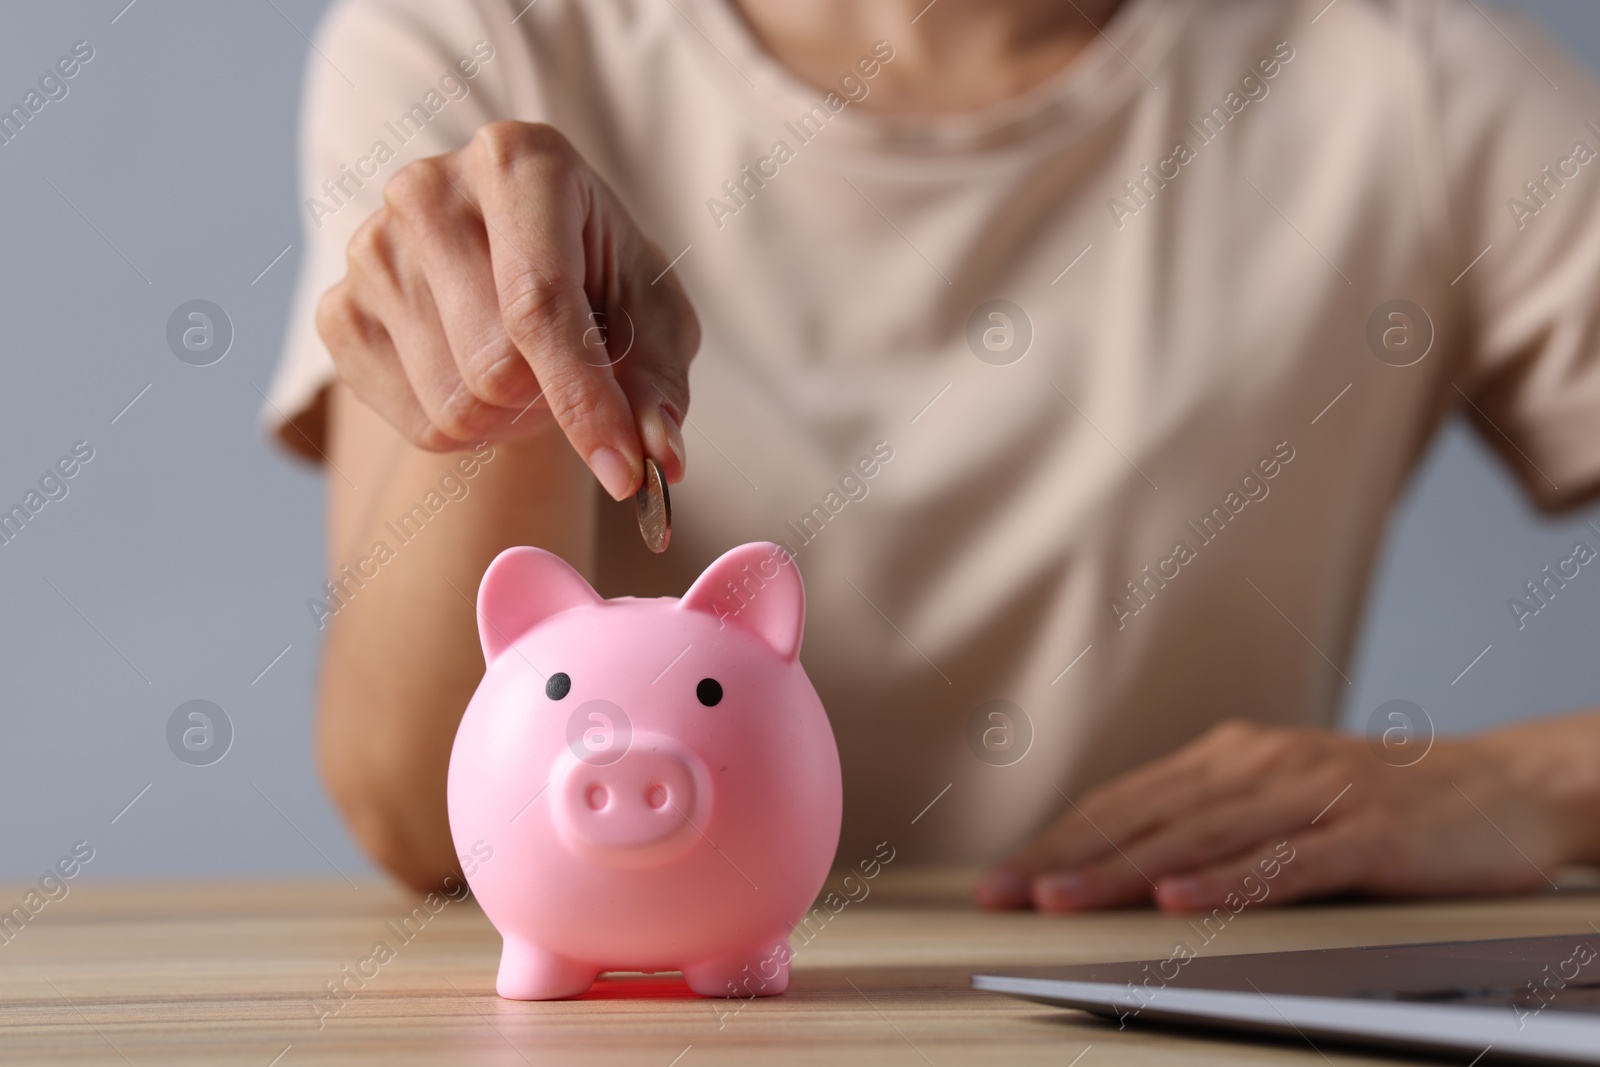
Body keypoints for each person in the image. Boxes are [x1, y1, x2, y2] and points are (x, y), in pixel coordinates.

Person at [266, 0, 1600, 911]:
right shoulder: (482, 40)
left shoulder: (1411, 89)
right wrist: (514, 340)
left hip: (1156, 1009)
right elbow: (428, 817)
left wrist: (1531, 783)